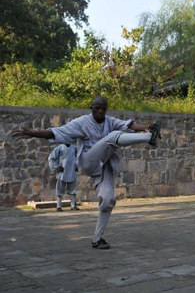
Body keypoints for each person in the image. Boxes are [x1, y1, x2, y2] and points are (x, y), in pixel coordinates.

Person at [13, 96, 161, 250]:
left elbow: (129, 126)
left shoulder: (110, 121)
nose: (100, 111)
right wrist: (32, 133)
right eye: (97, 108)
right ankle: (149, 138)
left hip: (105, 165)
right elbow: (56, 132)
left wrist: (149, 126)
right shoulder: (82, 122)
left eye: (103, 108)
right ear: (91, 107)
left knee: (108, 200)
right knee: (112, 137)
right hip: (89, 160)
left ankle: (97, 239)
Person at [48, 143, 79, 211]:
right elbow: (51, 157)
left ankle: (73, 205)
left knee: (72, 190)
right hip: (62, 172)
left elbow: (77, 158)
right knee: (59, 190)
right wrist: (56, 167)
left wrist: (76, 166)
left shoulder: (73, 148)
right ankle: (59, 206)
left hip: (71, 171)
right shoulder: (60, 148)